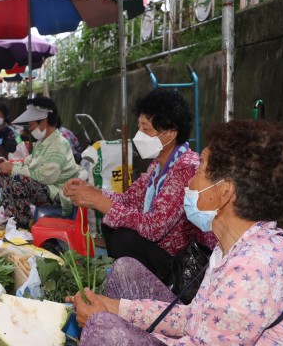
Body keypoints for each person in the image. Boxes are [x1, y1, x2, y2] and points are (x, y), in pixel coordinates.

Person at [70, 119, 283, 346]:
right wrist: (116, 308)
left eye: (199, 169)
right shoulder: (237, 245)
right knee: (124, 272)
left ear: (224, 193)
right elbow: (195, 319)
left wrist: (113, 324)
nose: (190, 179)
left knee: (103, 335)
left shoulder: (254, 266)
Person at [64, 90, 215, 279]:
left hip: (182, 262)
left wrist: (101, 203)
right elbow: (127, 200)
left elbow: (155, 226)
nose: (139, 135)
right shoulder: (156, 167)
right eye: (139, 127)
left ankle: (150, 288)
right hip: (159, 249)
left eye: (146, 129)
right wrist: (92, 192)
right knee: (111, 224)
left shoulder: (186, 168)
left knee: (124, 238)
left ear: (170, 134)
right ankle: (129, 278)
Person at [0, 97, 78, 229]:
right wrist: (9, 167)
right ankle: (13, 221)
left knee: (18, 179)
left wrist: (14, 169)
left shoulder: (59, 144)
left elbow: (47, 177)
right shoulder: (42, 143)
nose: (29, 128)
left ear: (44, 122)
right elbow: (29, 164)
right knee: (5, 176)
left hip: (59, 194)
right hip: (46, 189)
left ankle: (23, 226)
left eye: (31, 124)